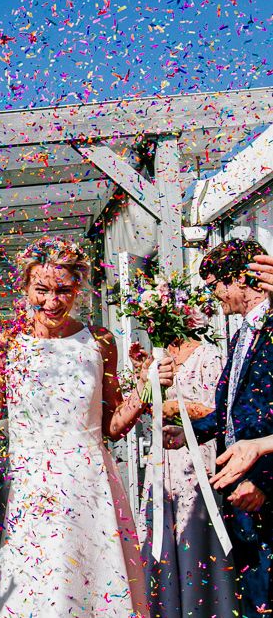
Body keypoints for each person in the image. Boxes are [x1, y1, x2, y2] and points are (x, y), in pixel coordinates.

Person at [0, 237, 149, 618]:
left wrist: (147, 386)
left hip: (89, 482)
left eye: (64, 291)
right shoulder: (4, 343)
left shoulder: (99, 341)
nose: (52, 302)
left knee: (91, 586)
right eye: (42, 290)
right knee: (34, 583)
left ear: (78, 290)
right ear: (25, 287)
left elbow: (113, 425)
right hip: (29, 481)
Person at [165, 238, 273, 616]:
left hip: (260, 483)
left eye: (216, 286)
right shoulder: (242, 333)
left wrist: (262, 479)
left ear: (242, 280)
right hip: (236, 477)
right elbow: (231, 410)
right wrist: (189, 434)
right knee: (254, 590)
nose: (214, 296)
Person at [131, 335, 238, 616]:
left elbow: (220, 411)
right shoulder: (158, 359)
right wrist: (144, 382)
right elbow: (146, 414)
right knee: (161, 536)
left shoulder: (209, 356)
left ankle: (202, 606)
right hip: (163, 461)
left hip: (195, 458)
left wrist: (177, 408)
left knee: (194, 536)